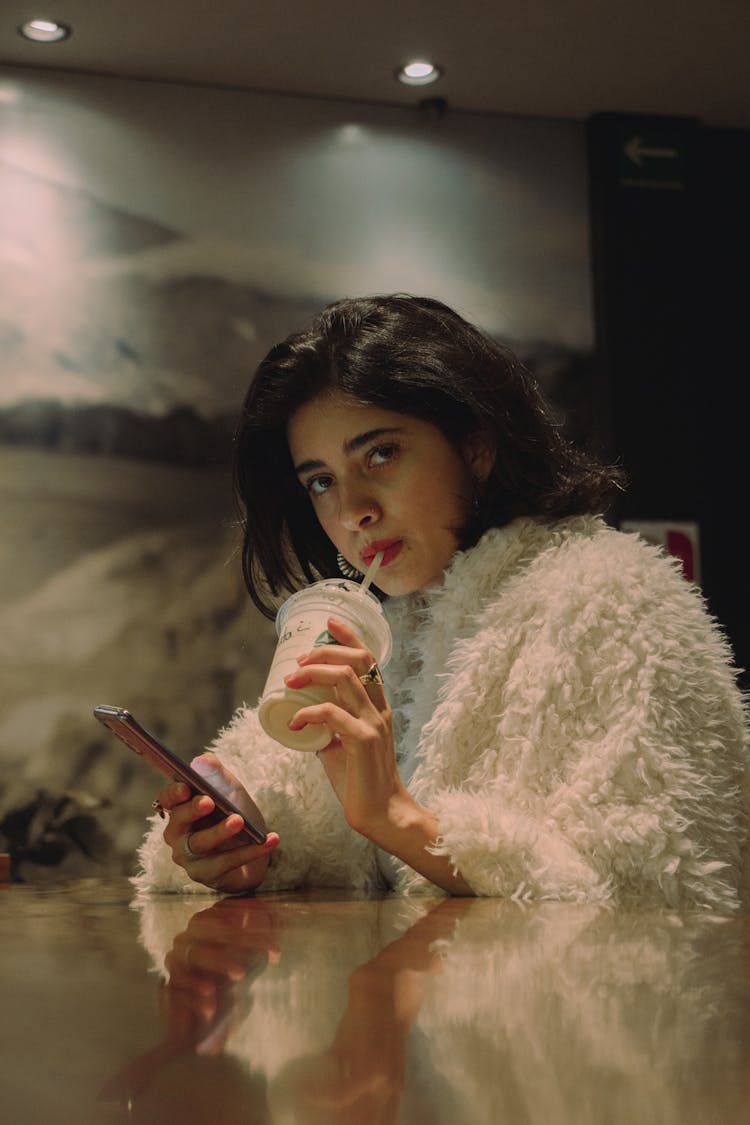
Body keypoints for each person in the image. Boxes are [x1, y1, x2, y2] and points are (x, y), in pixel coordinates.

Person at [134, 294, 749, 910]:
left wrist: (397, 818)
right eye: (321, 481)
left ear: (476, 448)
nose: (353, 511)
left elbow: (664, 899)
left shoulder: (613, 600)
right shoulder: (376, 627)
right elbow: (285, 814)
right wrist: (236, 850)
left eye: (380, 453)